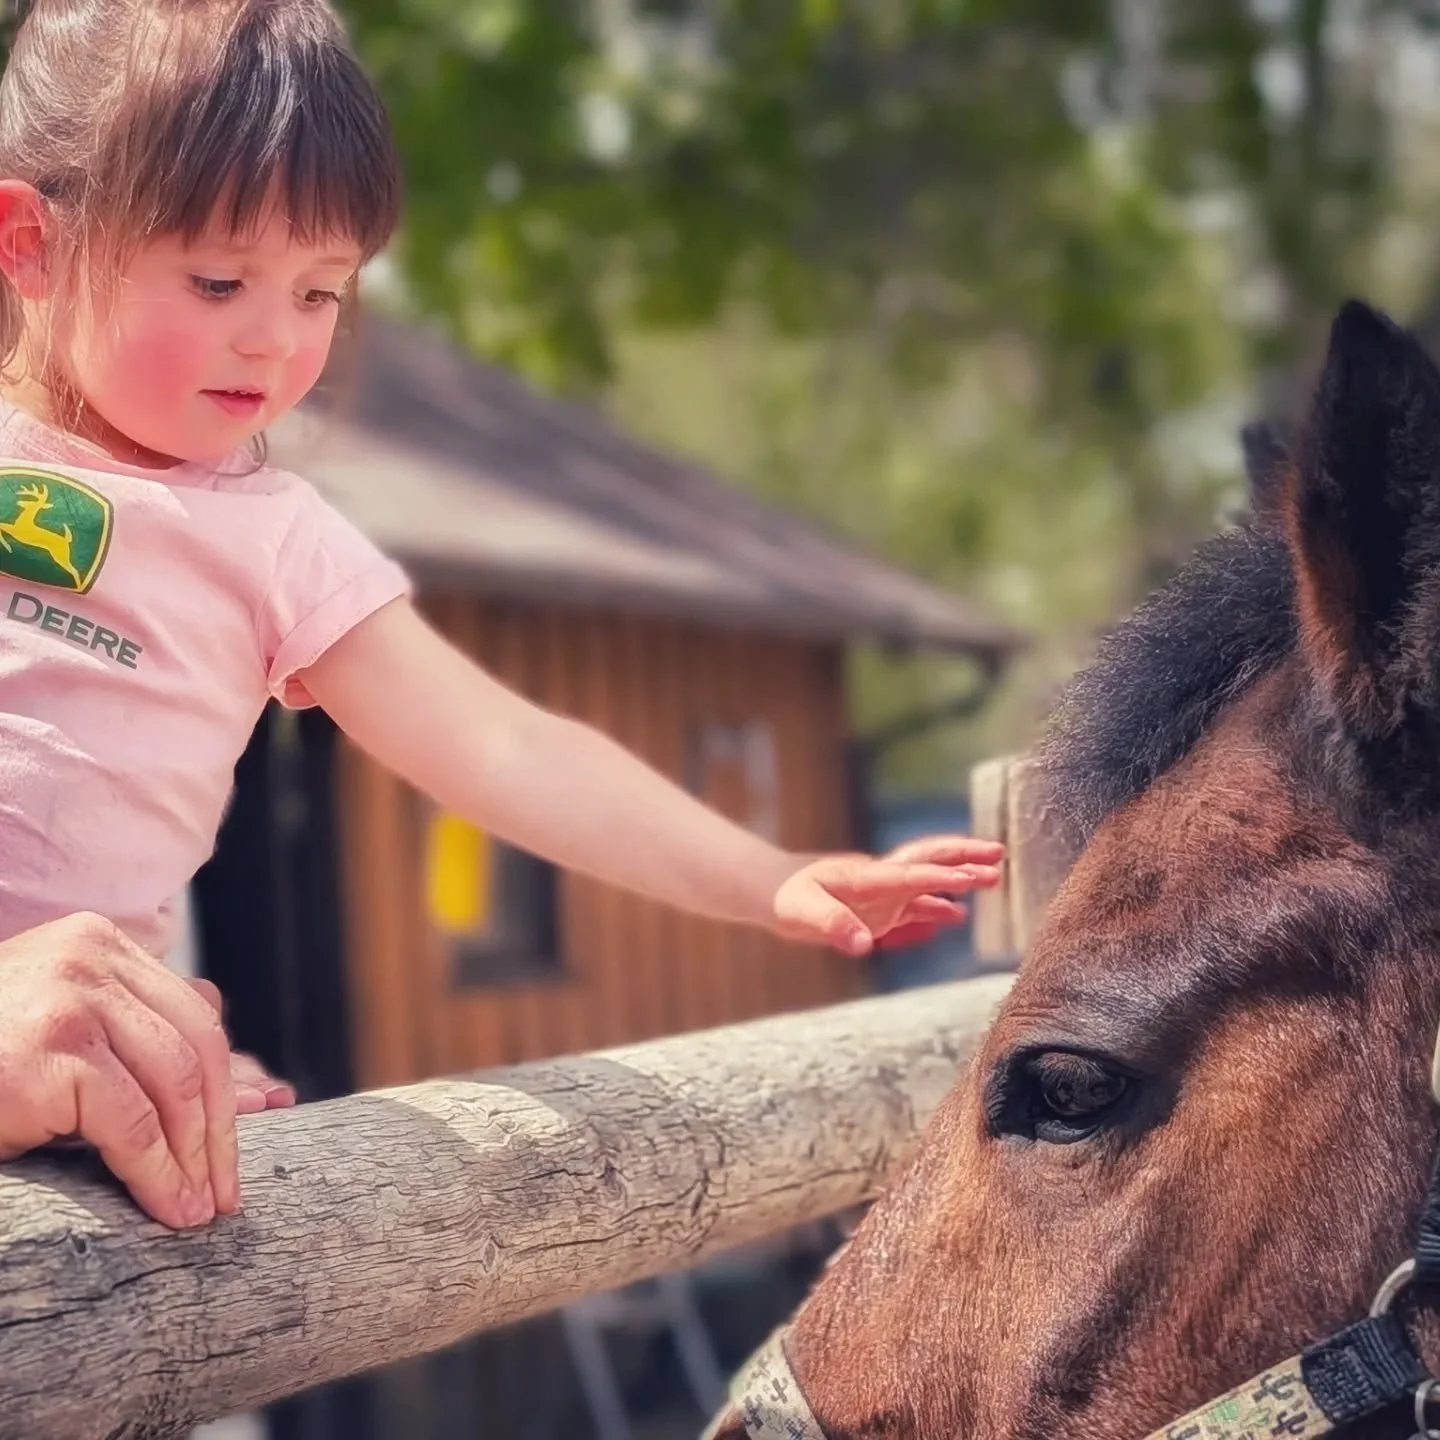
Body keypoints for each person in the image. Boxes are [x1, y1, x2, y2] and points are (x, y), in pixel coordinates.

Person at [0, 0, 1003, 1232]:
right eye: (218, 281)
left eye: (321, 292)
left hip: (91, 1078)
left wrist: (771, 877)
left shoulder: (272, 542)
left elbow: (504, 745)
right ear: (29, 242)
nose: (272, 341)